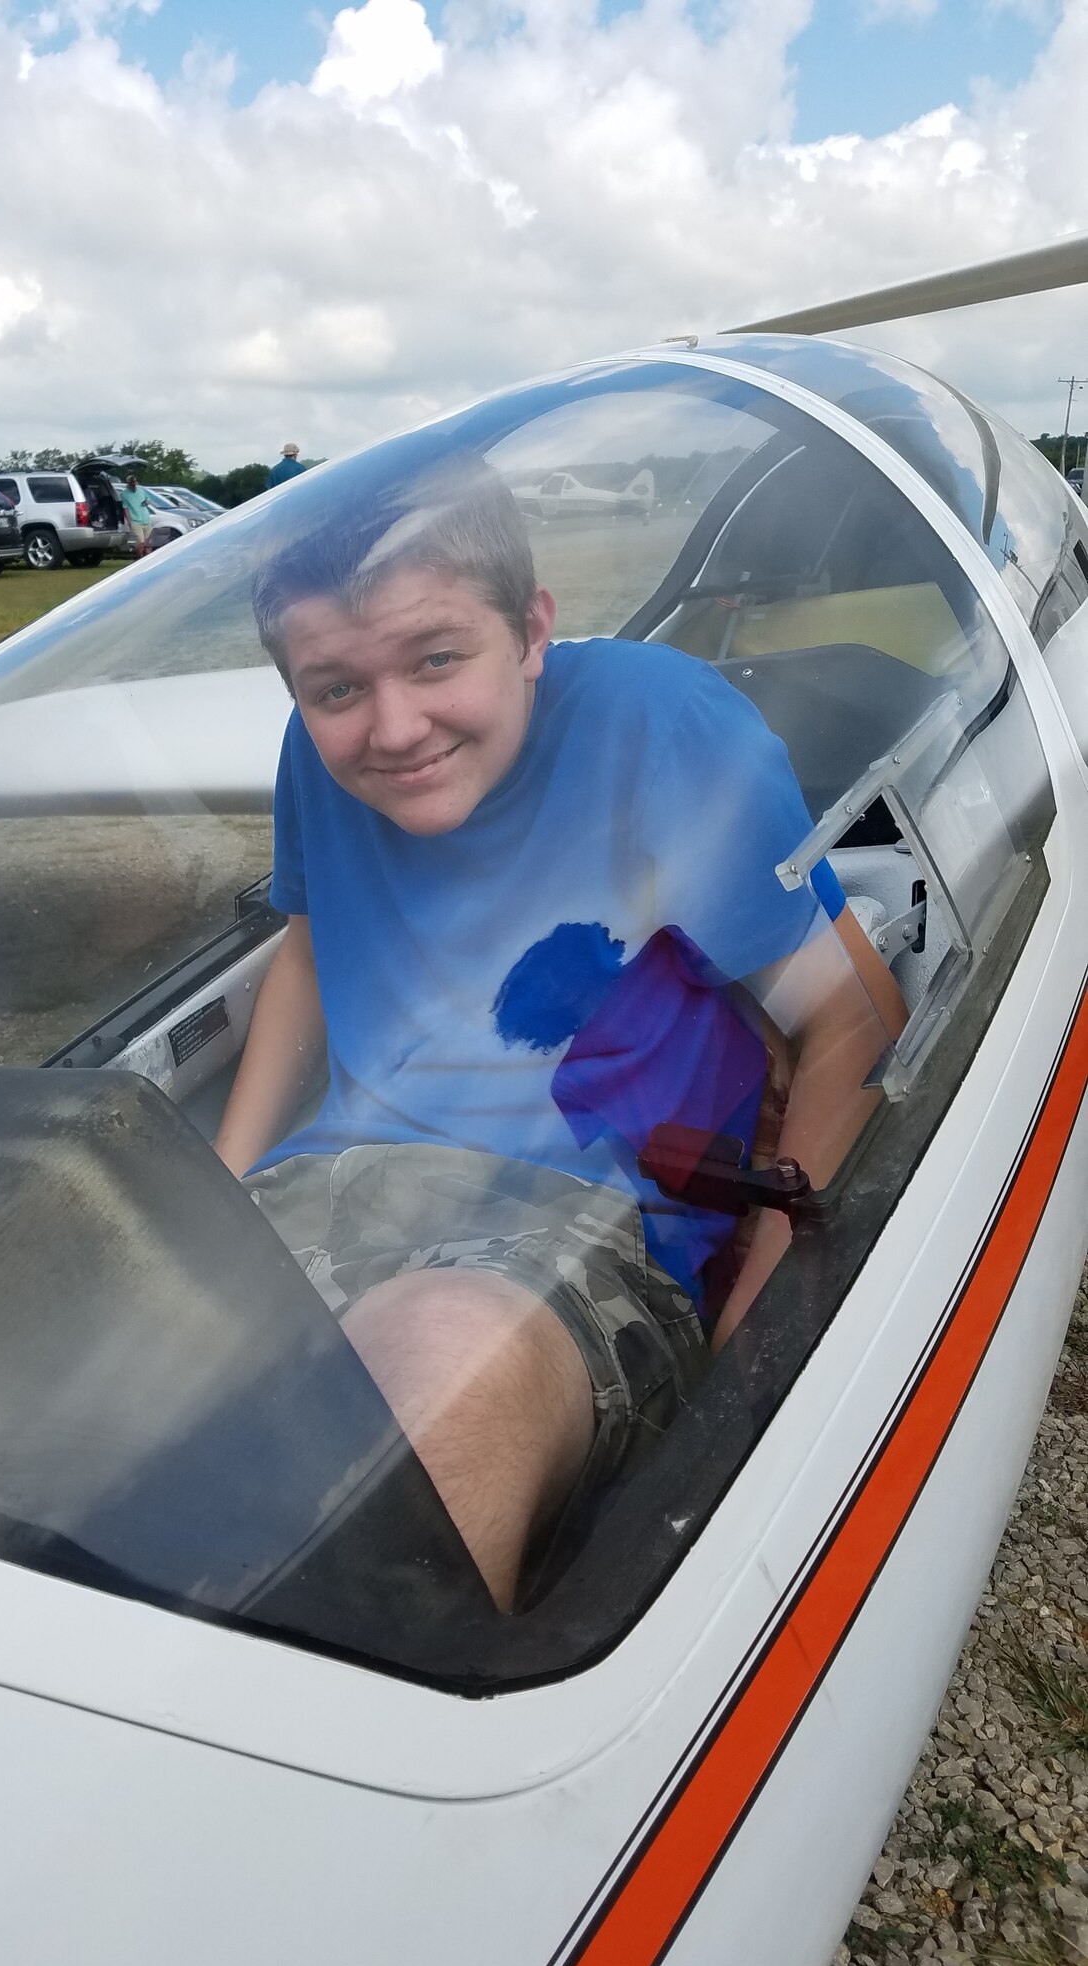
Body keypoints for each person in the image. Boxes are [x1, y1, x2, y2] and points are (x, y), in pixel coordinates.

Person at [214, 460, 907, 1611]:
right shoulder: (318, 749)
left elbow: (851, 1016)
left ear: (532, 628)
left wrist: (755, 1342)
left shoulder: (663, 726)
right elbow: (308, 945)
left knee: (434, 1379)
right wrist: (221, 1190)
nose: (392, 727)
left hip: (582, 1223)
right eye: (333, 687)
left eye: (438, 657)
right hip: (333, 1185)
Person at [120, 474, 156, 556]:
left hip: (146, 519)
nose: (134, 485)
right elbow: (125, 509)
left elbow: (148, 499)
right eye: (132, 483)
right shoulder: (124, 494)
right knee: (141, 542)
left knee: (148, 542)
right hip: (135, 521)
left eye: (135, 482)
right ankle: (140, 558)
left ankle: (148, 558)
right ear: (128, 484)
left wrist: (147, 502)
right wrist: (129, 522)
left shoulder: (141, 490)